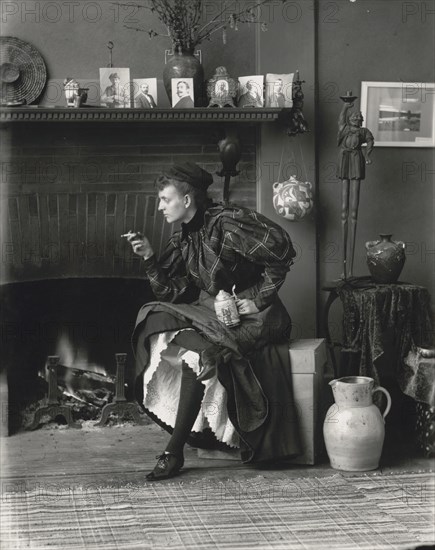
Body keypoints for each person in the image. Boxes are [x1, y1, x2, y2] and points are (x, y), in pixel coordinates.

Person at [126, 162, 301, 481]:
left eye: (166, 199)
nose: (160, 205)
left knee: (195, 357)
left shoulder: (227, 223)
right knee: (158, 316)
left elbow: (283, 253)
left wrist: (257, 298)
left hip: (259, 317)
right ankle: (207, 374)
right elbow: (172, 292)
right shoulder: (185, 238)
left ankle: (173, 452)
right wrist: (150, 257)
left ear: (187, 200)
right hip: (219, 311)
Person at [337, 102, 374, 279]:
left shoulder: (363, 131)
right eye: (355, 118)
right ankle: (344, 271)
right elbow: (340, 120)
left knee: (354, 213)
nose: (357, 121)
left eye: (359, 119)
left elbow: (371, 140)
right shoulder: (344, 128)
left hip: (356, 160)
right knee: (344, 212)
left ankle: (350, 271)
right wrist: (345, 107)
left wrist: (367, 154)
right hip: (345, 161)